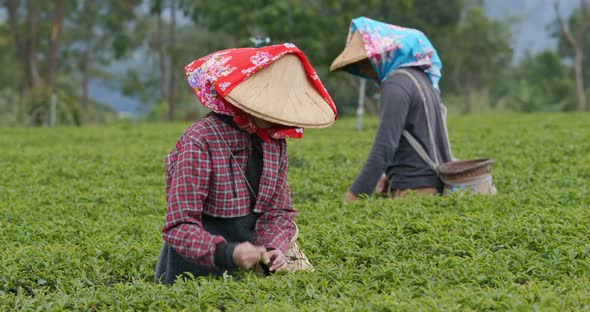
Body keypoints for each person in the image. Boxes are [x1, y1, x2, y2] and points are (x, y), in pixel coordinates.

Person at [154, 43, 337, 284]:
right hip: (191, 278)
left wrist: (273, 247)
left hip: (249, 275)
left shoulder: (275, 141)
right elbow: (179, 225)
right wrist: (230, 252)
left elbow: (278, 210)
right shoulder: (200, 142)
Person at [330, 17, 452, 201]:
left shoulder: (396, 84)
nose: (365, 71)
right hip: (431, 182)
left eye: (367, 62)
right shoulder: (421, 78)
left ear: (381, 56)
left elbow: (385, 145)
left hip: (414, 190)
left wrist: (355, 194)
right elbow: (414, 134)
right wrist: (388, 175)